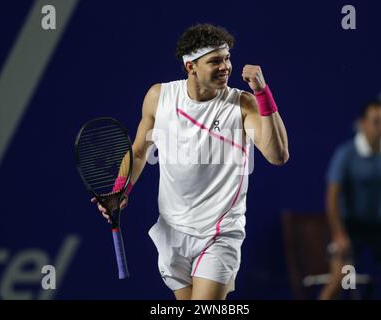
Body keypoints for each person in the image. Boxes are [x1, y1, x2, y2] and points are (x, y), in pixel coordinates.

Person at [91, 23, 289, 300]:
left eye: (227, 58)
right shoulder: (159, 97)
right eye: (215, 61)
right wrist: (121, 188)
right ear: (190, 67)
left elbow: (277, 155)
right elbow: (138, 152)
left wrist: (263, 93)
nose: (226, 67)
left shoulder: (242, 104)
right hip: (172, 231)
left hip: (219, 232)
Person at [319, 100, 381, 300]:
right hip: (350, 228)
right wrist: (339, 234)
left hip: (380, 227)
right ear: (362, 123)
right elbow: (332, 198)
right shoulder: (346, 154)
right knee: (339, 280)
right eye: (376, 122)